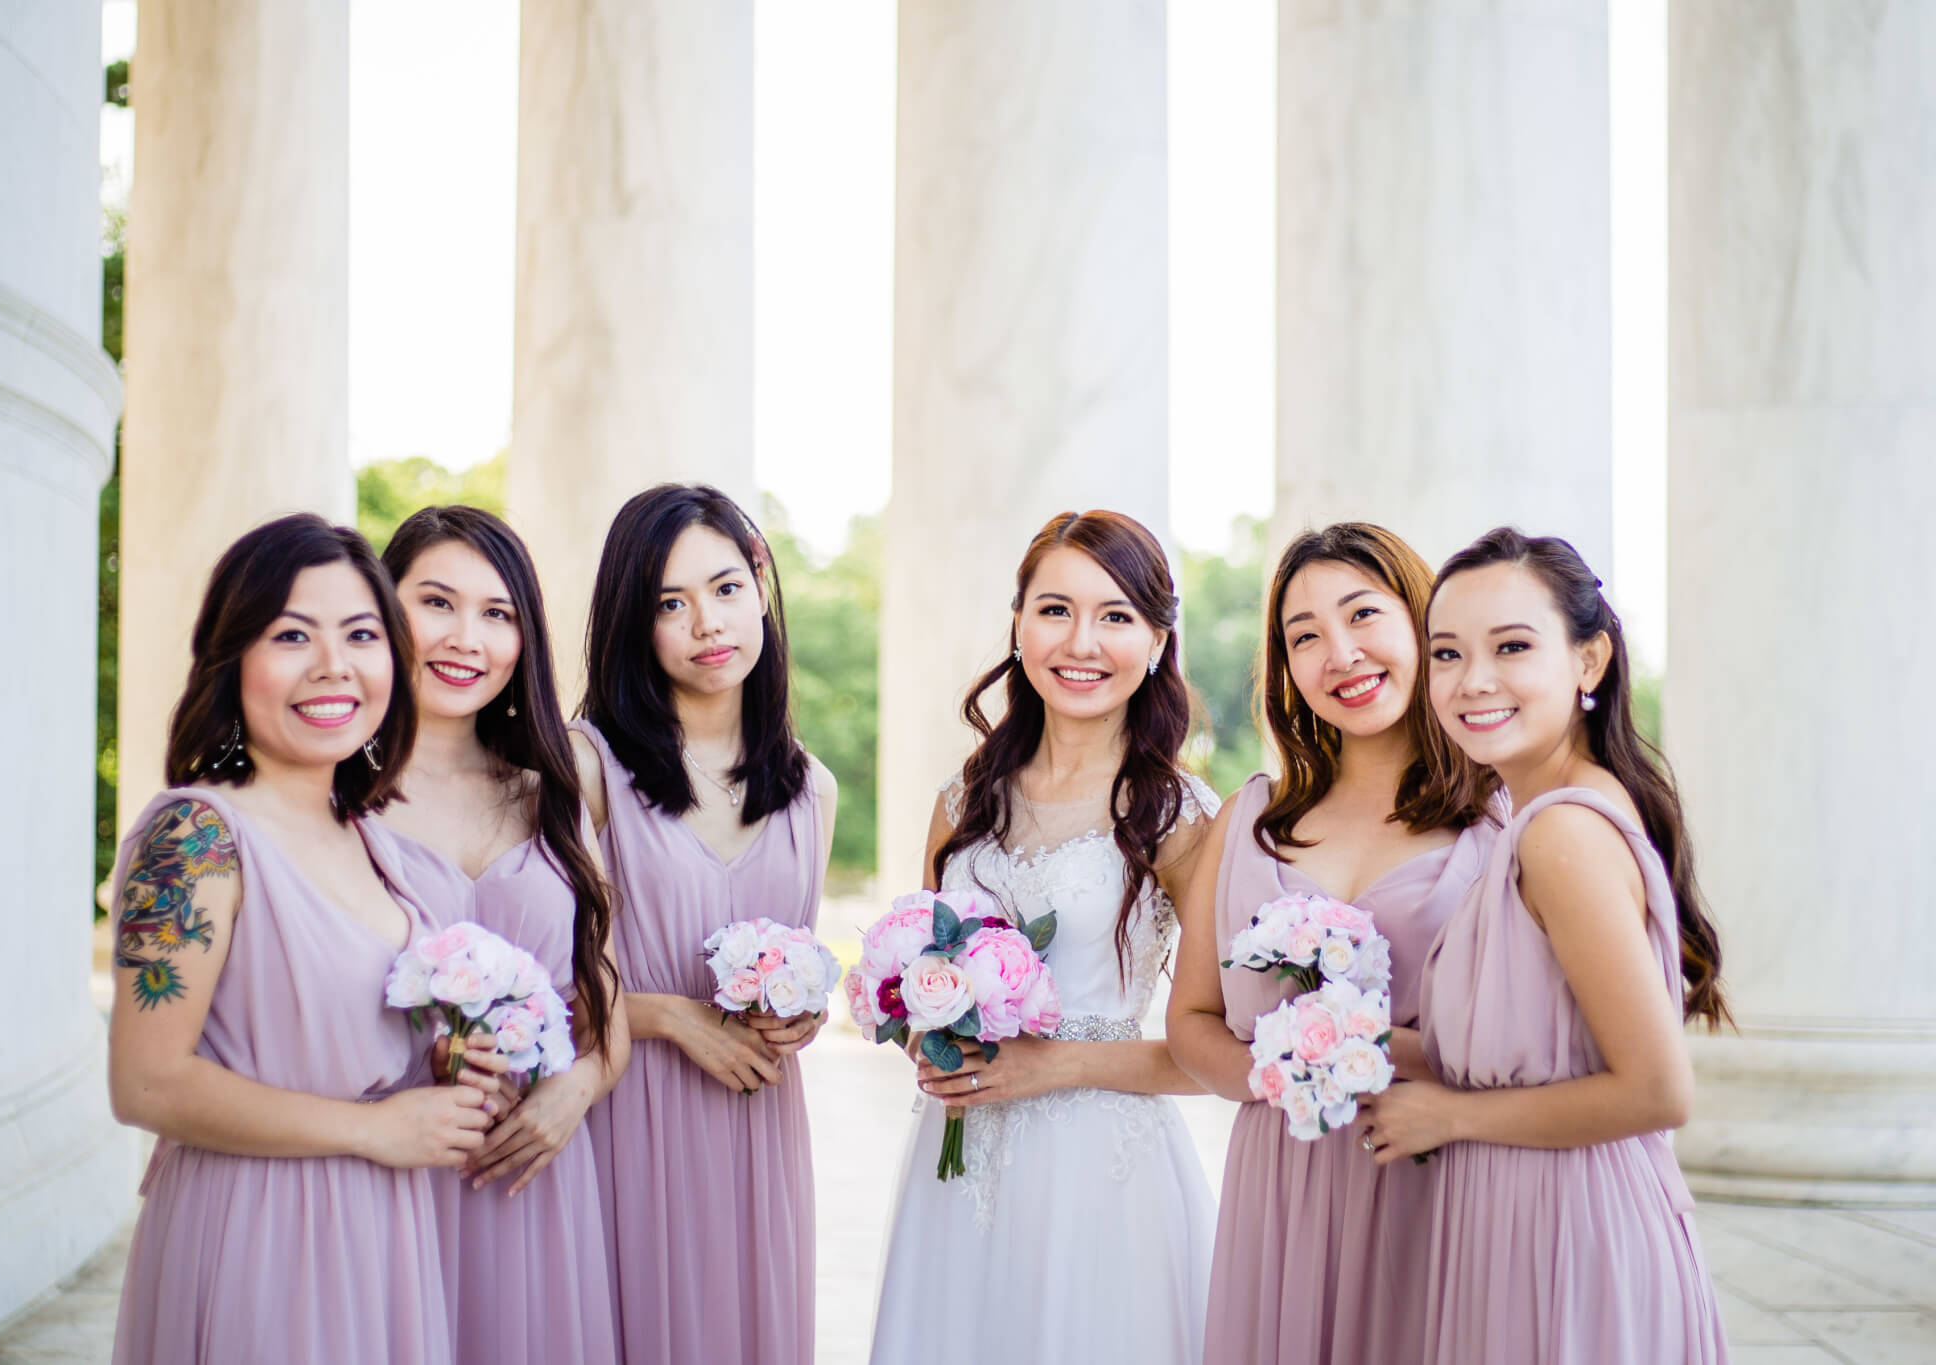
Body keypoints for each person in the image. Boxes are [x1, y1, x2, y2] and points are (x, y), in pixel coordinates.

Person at [107, 514, 499, 1364]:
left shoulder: (387, 851)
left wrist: (446, 1067)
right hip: (258, 1231)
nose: (334, 664)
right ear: (232, 656)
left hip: (388, 1236)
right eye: (292, 634)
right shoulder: (195, 837)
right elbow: (144, 1082)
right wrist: (373, 1128)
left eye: (362, 634)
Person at [1359, 526, 1730, 1363]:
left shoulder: (1561, 833)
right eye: (1446, 653)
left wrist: (1446, 1115)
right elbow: (1540, 1046)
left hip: (1572, 1233)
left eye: (1513, 646)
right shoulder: (1535, 817)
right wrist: (1356, 1043)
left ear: (1589, 661)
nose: (1472, 681)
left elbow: (1658, 1089)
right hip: (1524, 1219)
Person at [869, 510, 1218, 1365]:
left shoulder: (1180, 816)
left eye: (1116, 615)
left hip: (1101, 1176)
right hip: (957, 1166)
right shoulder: (963, 801)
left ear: (1158, 639)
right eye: (1055, 608)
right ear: (1019, 624)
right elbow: (916, 978)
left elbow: (1213, 1051)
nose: (1082, 641)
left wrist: (1054, 1062)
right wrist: (927, 1025)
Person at [1166, 523, 1497, 1364]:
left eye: (1362, 615)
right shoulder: (1251, 818)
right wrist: (1284, 1073)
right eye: (1304, 635)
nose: (1339, 653)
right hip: (1284, 1180)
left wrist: (1374, 1052)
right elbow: (1194, 1020)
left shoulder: (1502, 819)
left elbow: (1536, 1042)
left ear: (1424, 623)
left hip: (1438, 1168)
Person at [570, 483, 837, 1365]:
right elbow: (542, 978)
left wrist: (803, 1009)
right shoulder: (587, 765)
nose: (707, 624)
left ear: (761, 582)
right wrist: (669, 1014)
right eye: (669, 604)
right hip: (629, 1121)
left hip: (758, 1129)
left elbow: (797, 956)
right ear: (633, 624)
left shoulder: (813, 790)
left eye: (725, 588)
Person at [377, 505, 625, 1364]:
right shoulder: (337, 795)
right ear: (381, 606)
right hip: (389, 1167)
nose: (466, 637)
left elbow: (604, 1000)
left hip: (534, 1174)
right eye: (437, 602)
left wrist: (580, 1086)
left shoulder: (549, 792)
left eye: (498, 613)